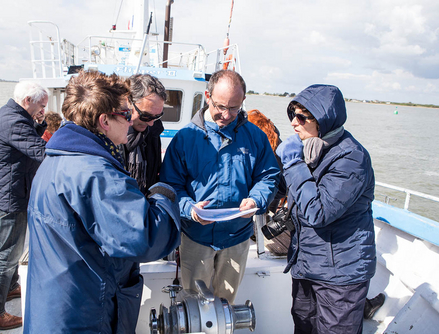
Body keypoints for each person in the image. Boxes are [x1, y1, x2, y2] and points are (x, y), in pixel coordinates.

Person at [23, 70, 181, 333]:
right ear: (104, 120)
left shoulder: (57, 158)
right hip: (85, 314)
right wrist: (163, 195)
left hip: (57, 306)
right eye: (125, 113)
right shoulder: (96, 173)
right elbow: (145, 238)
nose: (131, 120)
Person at [160, 70, 281, 303]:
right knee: (193, 306)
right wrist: (190, 210)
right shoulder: (185, 138)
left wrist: (256, 199)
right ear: (207, 96)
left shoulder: (256, 137)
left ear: (243, 101)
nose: (226, 115)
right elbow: (171, 186)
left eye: (234, 108)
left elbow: (269, 176)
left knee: (226, 306)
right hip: (196, 236)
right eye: (220, 107)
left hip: (238, 237)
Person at [276, 84, 376, 334]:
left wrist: (293, 163)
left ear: (323, 120)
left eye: (302, 117)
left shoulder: (352, 158)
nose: (293, 123)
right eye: (292, 115)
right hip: (307, 265)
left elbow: (318, 212)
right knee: (304, 327)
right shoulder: (310, 149)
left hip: (340, 275)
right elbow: (285, 190)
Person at [0, 81, 48, 330]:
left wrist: (40, 122)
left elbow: (30, 138)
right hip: (12, 197)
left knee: (12, 250)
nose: (43, 109)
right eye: (41, 105)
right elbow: (39, 150)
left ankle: (9, 288)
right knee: (8, 255)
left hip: (15, 191)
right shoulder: (14, 121)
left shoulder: (13, 114)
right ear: (28, 100)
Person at [119, 73, 166, 194]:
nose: (151, 123)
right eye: (145, 116)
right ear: (128, 102)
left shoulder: (153, 131)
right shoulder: (112, 135)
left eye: (157, 117)